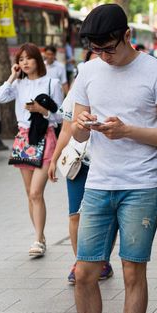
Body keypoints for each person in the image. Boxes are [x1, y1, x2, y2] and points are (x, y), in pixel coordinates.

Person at [58, 3, 157, 313]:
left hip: (141, 185)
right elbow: (78, 133)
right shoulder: (89, 71)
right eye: (97, 50)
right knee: (84, 272)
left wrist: (127, 130)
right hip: (98, 182)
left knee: (132, 271)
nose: (104, 56)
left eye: (109, 48)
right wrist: (81, 126)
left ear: (127, 36)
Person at [47, 52, 114, 284]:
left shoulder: (117, 89)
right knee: (75, 214)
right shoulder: (76, 93)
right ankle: (80, 261)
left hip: (106, 164)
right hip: (79, 162)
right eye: (93, 59)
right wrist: (54, 159)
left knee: (106, 215)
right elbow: (65, 130)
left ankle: (102, 260)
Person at [0, 43, 64, 258]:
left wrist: (42, 110)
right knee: (29, 193)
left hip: (46, 137)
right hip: (23, 137)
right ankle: (40, 236)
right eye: (21, 59)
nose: (24, 62)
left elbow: (62, 115)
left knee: (36, 192)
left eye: (28, 58)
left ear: (38, 60)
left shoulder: (53, 83)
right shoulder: (18, 85)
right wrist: (12, 77)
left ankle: (38, 239)